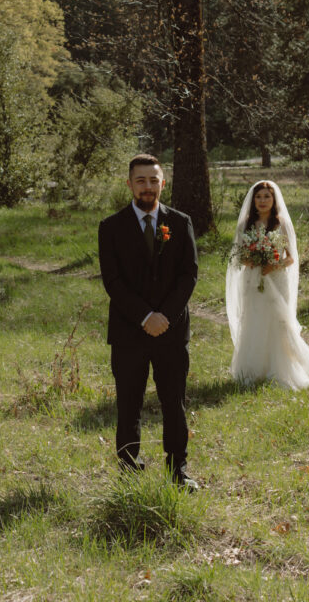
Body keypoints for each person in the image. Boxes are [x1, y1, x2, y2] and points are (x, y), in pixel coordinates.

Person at [98, 154, 199, 489]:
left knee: (174, 402)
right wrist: (144, 316)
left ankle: (178, 470)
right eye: (140, 180)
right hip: (130, 331)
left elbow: (189, 275)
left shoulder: (181, 222)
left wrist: (164, 317)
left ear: (163, 183)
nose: (147, 186)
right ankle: (128, 467)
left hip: (171, 331)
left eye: (153, 180)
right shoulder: (110, 227)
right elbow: (112, 281)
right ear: (129, 184)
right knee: (129, 403)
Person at [226, 180, 309, 390]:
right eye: (259, 197)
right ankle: (253, 368)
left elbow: (291, 258)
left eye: (267, 197)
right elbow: (238, 255)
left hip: (276, 278)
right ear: (253, 201)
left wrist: (273, 265)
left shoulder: (281, 223)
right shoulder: (245, 224)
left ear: (274, 199)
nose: (262, 201)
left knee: (278, 322)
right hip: (253, 278)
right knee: (254, 320)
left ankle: (281, 367)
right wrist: (251, 260)